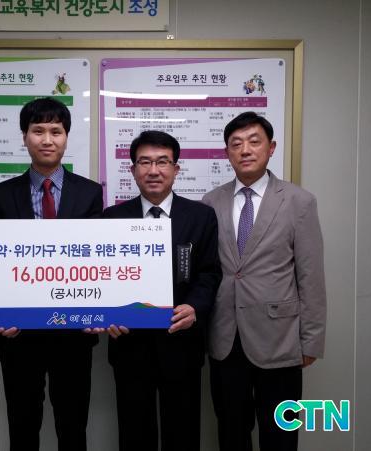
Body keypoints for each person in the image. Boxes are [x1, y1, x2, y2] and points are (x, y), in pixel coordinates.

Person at [202, 112, 327, 451]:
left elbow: (311, 275)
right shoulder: (211, 202)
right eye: (236, 144)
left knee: (280, 436)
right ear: (227, 152)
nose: (245, 150)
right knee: (231, 432)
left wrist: (311, 340)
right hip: (225, 337)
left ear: (271, 148)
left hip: (280, 339)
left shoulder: (299, 201)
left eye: (254, 142)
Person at [0, 97, 103, 451]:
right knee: (22, 427)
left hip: (74, 333)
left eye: (56, 131)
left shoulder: (90, 193)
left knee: (73, 427)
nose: (47, 139)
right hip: (19, 334)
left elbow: (97, 262)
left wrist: (99, 311)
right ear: (25, 137)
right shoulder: (1, 195)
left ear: (66, 137)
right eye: (38, 131)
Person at [102, 130, 222, 451]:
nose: (153, 170)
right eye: (144, 162)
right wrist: (107, 314)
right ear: (132, 170)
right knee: (134, 435)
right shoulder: (112, 218)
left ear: (176, 169)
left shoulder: (201, 216)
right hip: (129, 346)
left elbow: (210, 273)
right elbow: (101, 277)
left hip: (181, 344)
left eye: (162, 162)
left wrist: (195, 307)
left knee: (182, 435)